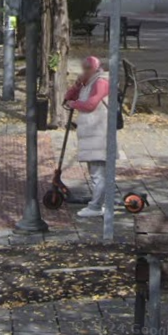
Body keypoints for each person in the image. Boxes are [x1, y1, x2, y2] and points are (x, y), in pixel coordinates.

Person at [64, 55, 119, 218]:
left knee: (98, 173)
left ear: (94, 69)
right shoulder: (88, 83)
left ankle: (96, 206)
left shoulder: (101, 82)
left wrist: (74, 104)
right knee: (97, 172)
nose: (84, 72)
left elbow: (90, 104)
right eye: (83, 69)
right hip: (91, 135)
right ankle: (103, 201)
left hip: (99, 135)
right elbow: (69, 96)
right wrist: (77, 84)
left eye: (87, 69)